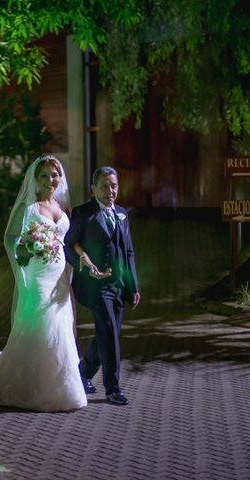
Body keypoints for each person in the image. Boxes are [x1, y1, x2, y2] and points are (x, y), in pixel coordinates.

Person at [0, 154, 87, 412]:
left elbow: (69, 240)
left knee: (62, 326)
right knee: (42, 323)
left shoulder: (64, 208)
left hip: (60, 277)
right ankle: (32, 387)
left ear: (59, 178)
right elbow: (10, 239)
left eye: (54, 175)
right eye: (44, 176)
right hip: (37, 276)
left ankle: (61, 387)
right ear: (35, 179)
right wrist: (24, 262)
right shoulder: (28, 208)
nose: (50, 180)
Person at [64, 166, 140, 406]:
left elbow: (128, 252)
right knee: (108, 331)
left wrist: (133, 286)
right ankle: (113, 388)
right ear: (93, 189)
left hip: (117, 284)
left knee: (109, 333)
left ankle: (83, 373)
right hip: (95, 285)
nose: (110, 190)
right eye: (105, 186)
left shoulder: (122, 213)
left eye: (114, 185)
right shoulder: (82, 213)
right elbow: (68, 244)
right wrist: (82, 263)